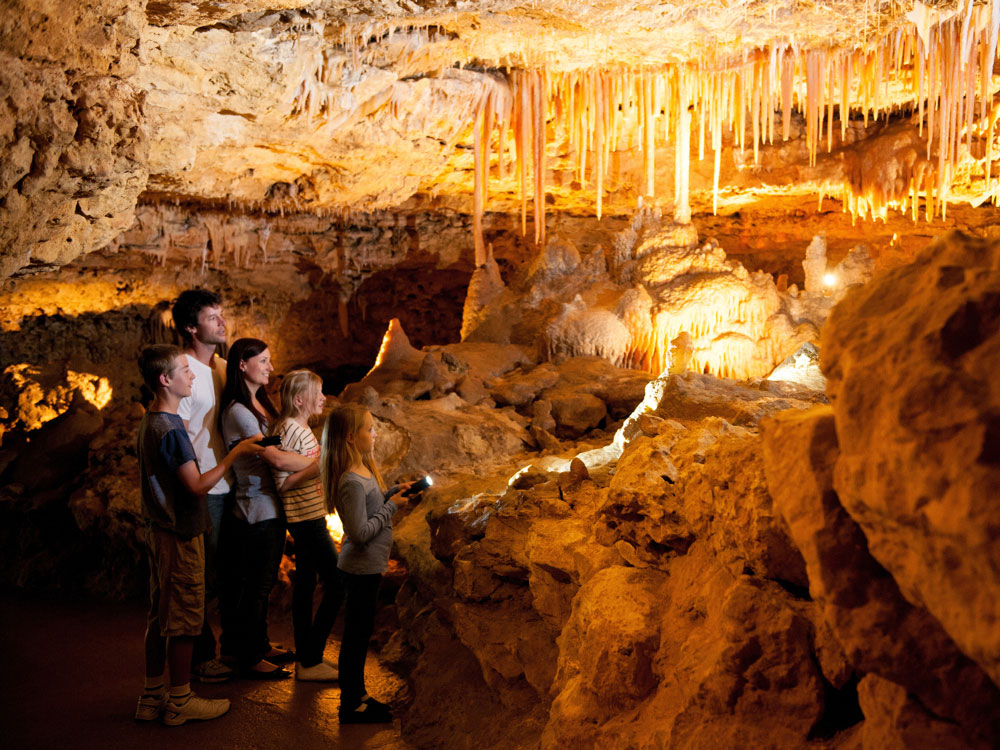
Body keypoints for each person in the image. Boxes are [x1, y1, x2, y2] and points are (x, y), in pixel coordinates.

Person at [134, 345, 261, 725]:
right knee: (186, 618)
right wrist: (234, 455)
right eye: (184, 371)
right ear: (165, 379)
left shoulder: (151, 420)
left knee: (159, 616)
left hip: (161, 530)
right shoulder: (170, 428)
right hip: (181, 532)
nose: (192, 377)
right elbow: (196, 485)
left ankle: (152, 693)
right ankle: (180, 699)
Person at [218, 338, 313, 679]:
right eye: (264, 360)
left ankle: (258, 643)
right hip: (256, 507)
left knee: (264, 581)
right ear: (242, 365)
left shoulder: (261, 404)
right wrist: (316, 460)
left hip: (271, 503)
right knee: (255, 585)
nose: (271, 367)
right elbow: (273, 456)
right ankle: (246, 654)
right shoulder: (238, 411)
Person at [320, 404, 412, 724]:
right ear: (350, 437)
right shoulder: (351, 481)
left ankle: (358, 696)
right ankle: (351, 705)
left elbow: (370, 507)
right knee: (356, 638)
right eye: (369, 429)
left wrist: (389, 495)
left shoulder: (364, 471)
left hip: (369, 566)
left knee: (360, 634)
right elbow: (359, 533)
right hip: (359, 568)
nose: (375, 433)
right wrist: (391, 509)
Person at [171, 288, 232, 683]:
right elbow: (173, 432)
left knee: (224, 574)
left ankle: (234, 647)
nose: (222, 323)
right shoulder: (181, 373)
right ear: (192, 328)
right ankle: (198, 657)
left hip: (227, 486)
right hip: (200, 489)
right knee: (201, 578)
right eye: (213, 317)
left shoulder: (223, 368)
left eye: (222, 314)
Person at [270, 370, 344, 682]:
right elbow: (283, 484)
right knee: (339, 582)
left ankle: (308, 659)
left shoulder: (300, 428)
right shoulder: (288, 429)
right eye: (319, 392)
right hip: (305, 518)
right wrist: (319, 467)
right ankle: (310, 654)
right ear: (299, 399)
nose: (324, 398)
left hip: (311, 514)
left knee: (306, 586)